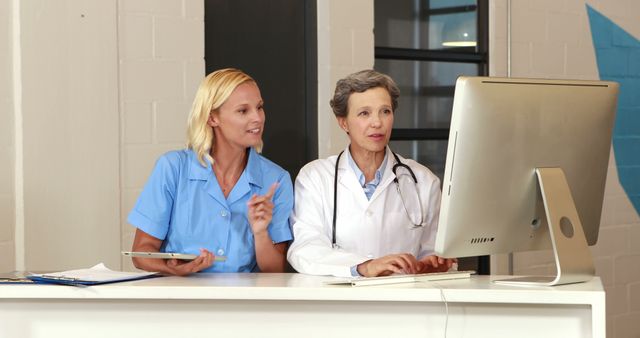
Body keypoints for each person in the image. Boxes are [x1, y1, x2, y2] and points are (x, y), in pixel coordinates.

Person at [287, 69, 456, 277]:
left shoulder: (423, 180)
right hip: (340, 303)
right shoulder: (315, 177)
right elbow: (304, 249)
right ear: (343, 122)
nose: (377, 122)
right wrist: (364, 266)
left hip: (404, 302)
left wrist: (432, 266)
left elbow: (435, 252)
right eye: (364, 113)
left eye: (385, 111)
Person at [128, 68, 293, 276]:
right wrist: (175, 269)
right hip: (180, 299)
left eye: (259, 108)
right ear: (212, 118)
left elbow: (276, 271)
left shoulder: (276, 180)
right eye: (243, 111)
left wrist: (260, 233)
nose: (258, 118)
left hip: (244, 303)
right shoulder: (172, 168)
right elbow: (141, 253)